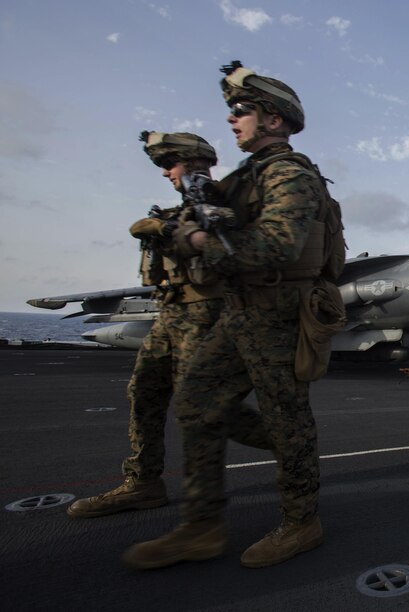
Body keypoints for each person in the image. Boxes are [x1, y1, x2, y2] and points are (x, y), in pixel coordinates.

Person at [123, 61, 346, 569]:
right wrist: (175, 229)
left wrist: (200, 240)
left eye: (241, 110)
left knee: (288, 421)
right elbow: (198, 219)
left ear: (273, 120)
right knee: (196, 402)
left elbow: (278, 246)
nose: (231, 120)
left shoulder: (290, 173)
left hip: (280, 313)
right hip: (242, 312)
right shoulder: (247, 177)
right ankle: (201, 526)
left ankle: (300, 521)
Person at [68, 132, 271, 520]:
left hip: (206, 316)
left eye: (169, 165)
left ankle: (289, 441)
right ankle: (143, 481)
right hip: (170, 314)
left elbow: (234, 251)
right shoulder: (183, 209)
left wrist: (174, 231)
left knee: (205, 407)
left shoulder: (218, 203)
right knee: (143, 392)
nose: (165, 174)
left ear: (192, 162)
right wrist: (162, 229)